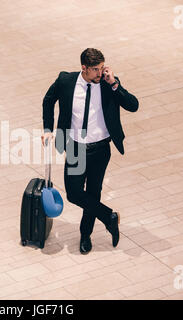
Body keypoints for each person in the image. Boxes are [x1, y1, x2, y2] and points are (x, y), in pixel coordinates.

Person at [41, 48, 139, 254]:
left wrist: (114, 84)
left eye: (102, 68)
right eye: (95, 69)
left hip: (101, 148)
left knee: (94, 193)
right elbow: (48, 100)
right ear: (83, 68)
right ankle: (109, 216)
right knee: (74, 193)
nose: (99, 73)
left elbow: (133, 105)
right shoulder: (66, 81)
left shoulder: (108, 83)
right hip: (76, 147)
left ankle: (85, 235)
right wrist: (48, 129)